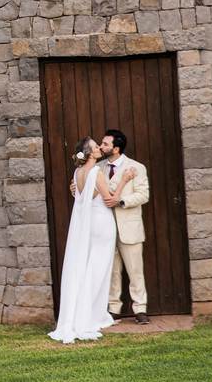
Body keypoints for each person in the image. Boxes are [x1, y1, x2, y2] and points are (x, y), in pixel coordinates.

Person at [48, 136, 137, 344]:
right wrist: (124, 180)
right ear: (89, 153)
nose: (99, 148)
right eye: (96, 147)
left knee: (89, 267)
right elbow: (108, 200)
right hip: (102, 224)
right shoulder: (95, 171)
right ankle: (90, 315)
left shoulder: (78, 172)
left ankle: (86, 312)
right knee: (98, 270)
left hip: (89, 225)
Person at [100, 129, 151, 324]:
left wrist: (121, 200)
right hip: (106, 228)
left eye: (105, 144)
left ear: (116, 148)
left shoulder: (136, 167)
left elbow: (143, 195)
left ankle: (140, 308)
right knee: (112, 271)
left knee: (135, 271)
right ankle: (114, 309)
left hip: (129, 227)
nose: (101, 146)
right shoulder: (99, 167)